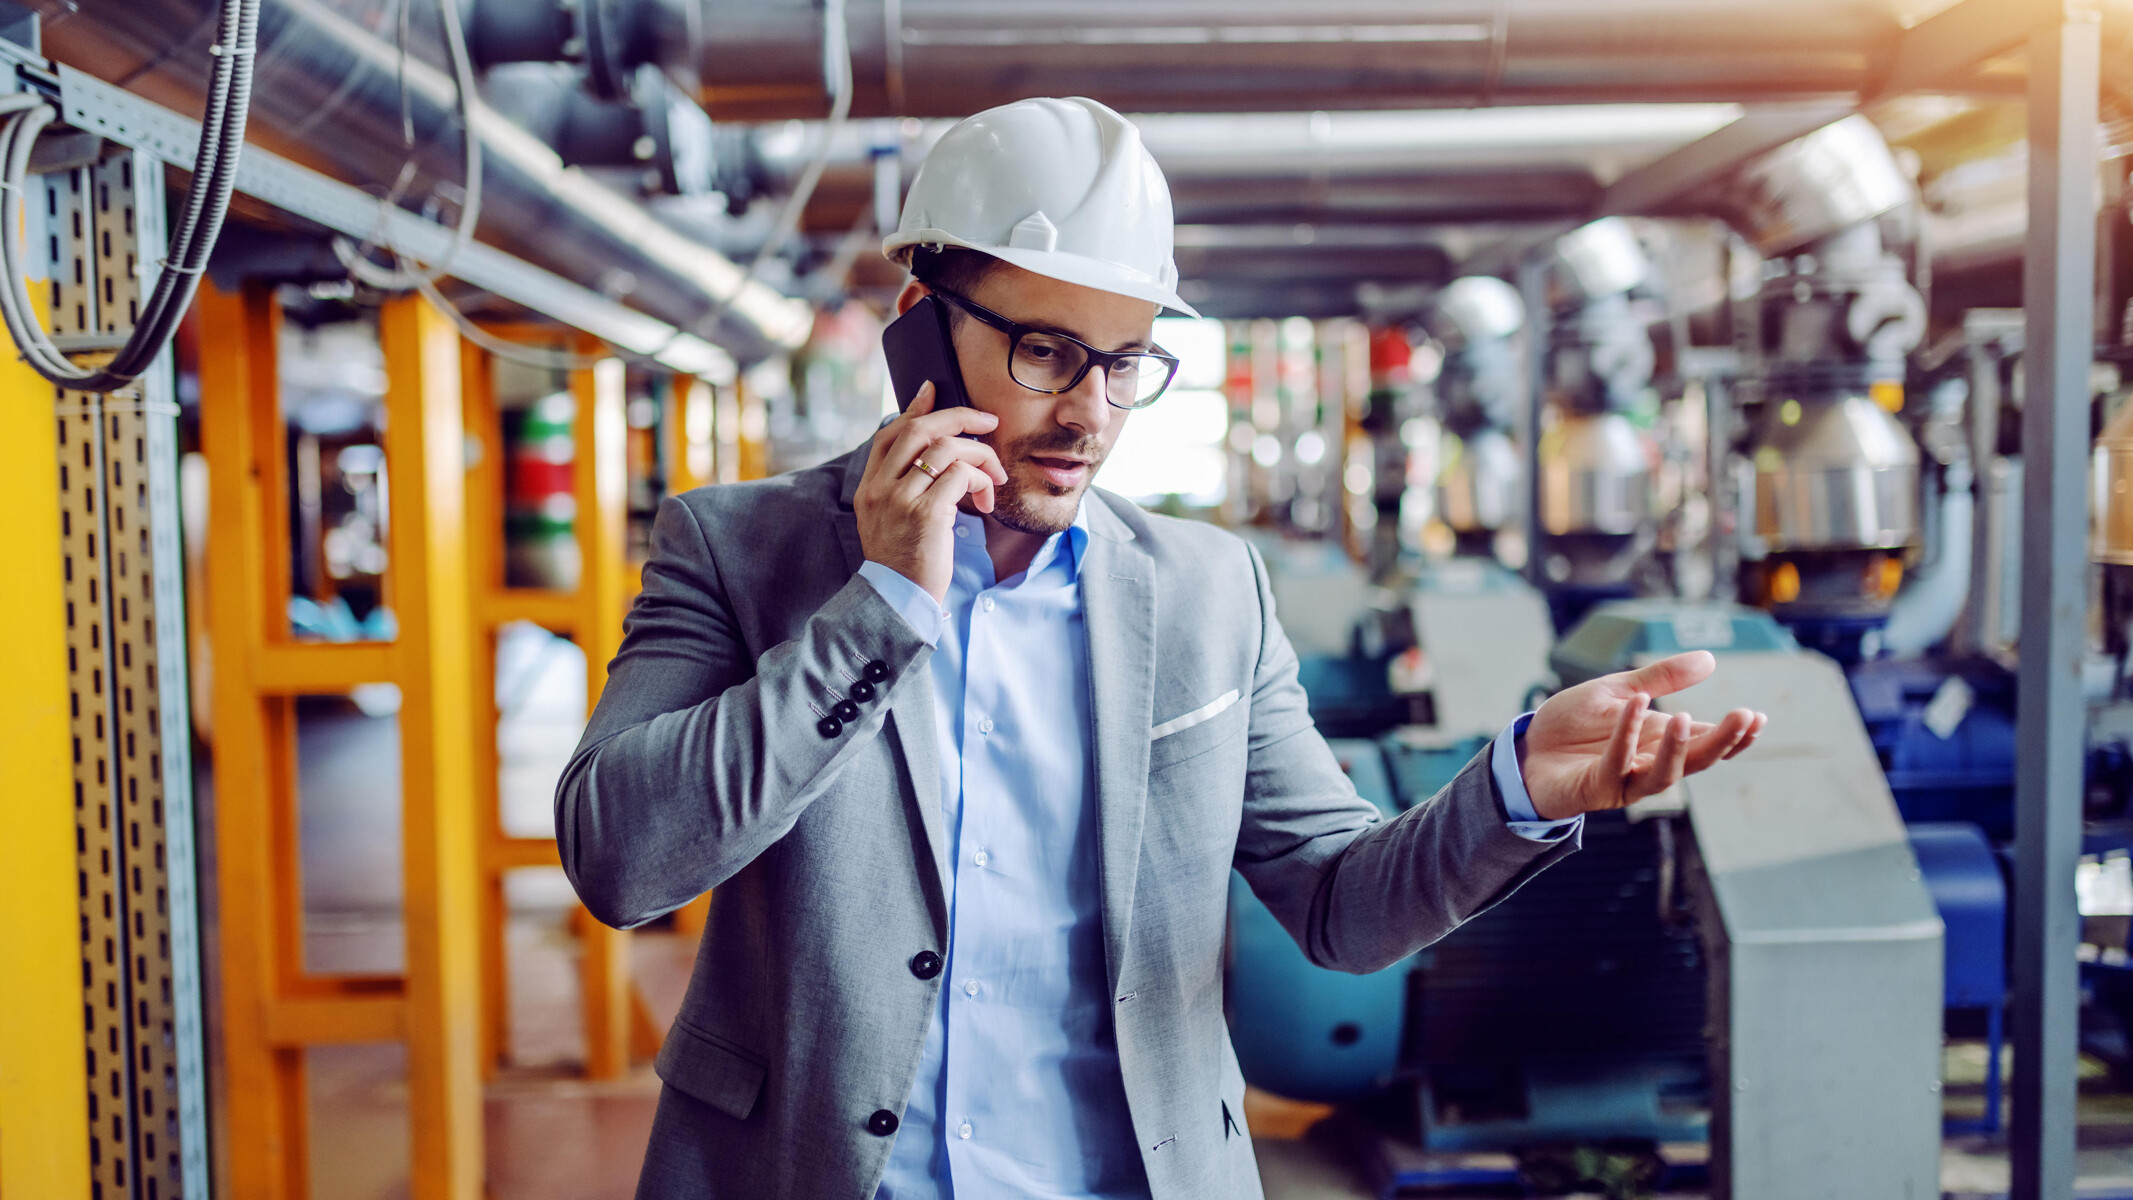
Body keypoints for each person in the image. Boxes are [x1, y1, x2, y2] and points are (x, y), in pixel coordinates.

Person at [555, 96, 1767, 1200]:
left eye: (1126, 362)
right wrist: (879, 605)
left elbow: (1341, 906)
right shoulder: (736, 548)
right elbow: (622, 858)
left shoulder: (1206, 593)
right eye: (1045, 352)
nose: (1088, 411)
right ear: (921, 333)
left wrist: (1516, 788)